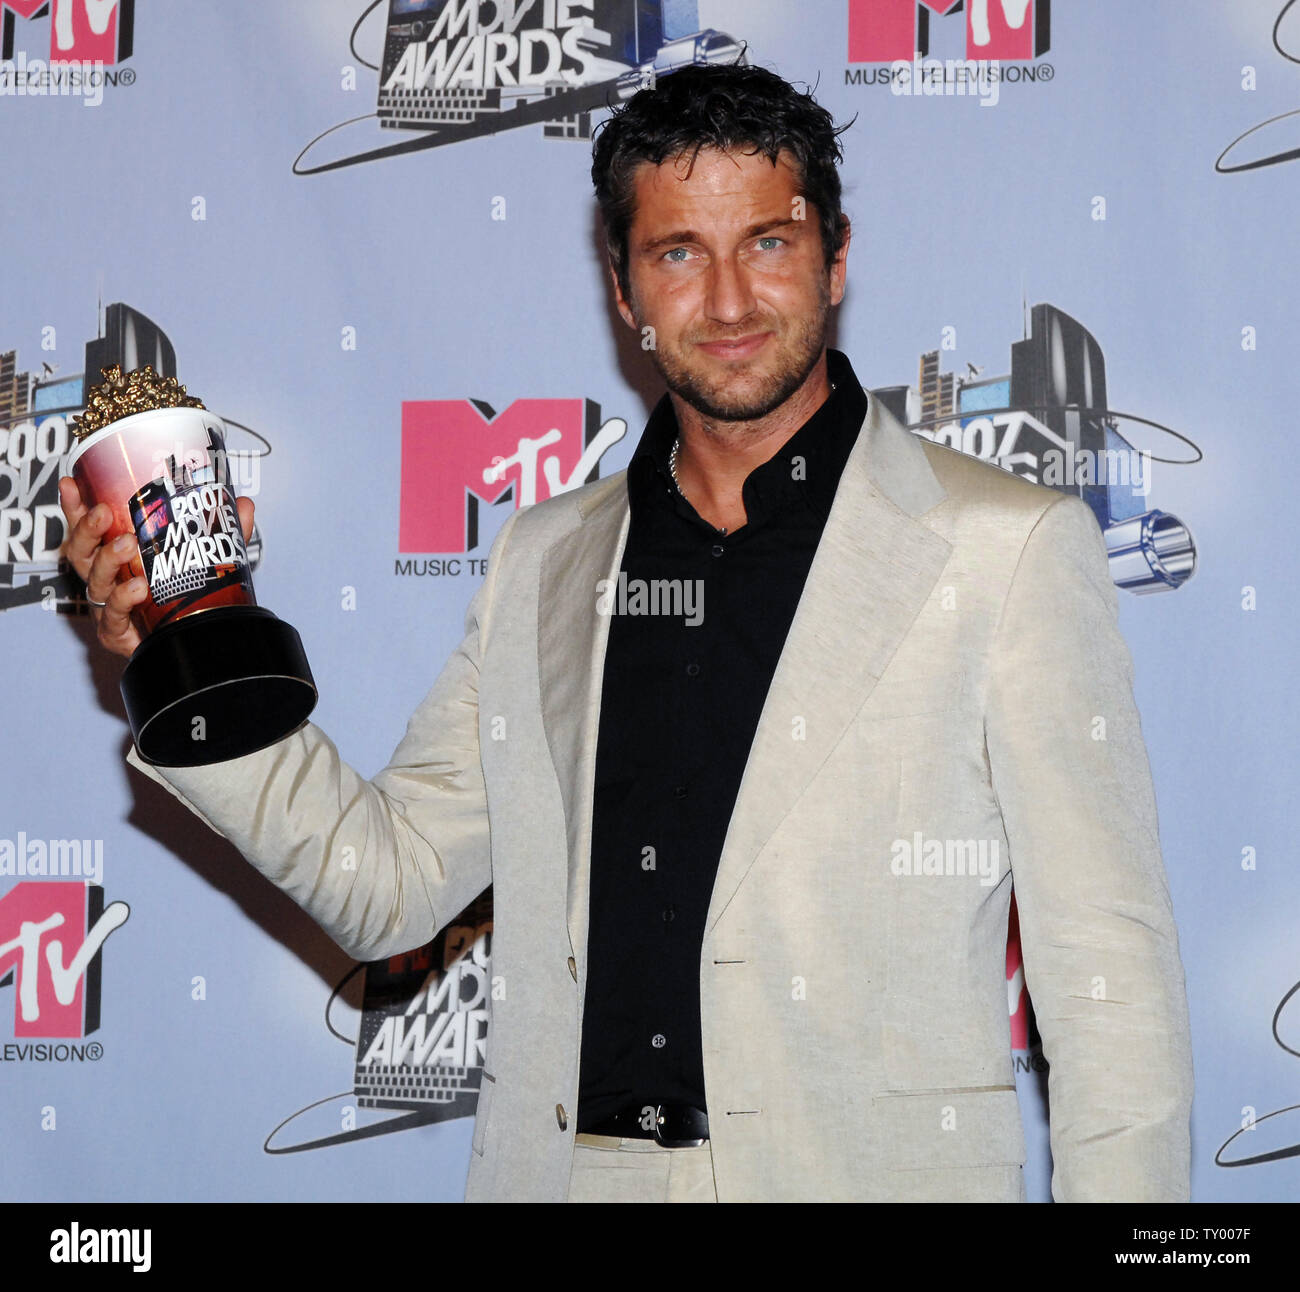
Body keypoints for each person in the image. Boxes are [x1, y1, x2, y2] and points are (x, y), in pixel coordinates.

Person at [59, 63, 1193, 1203]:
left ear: (836, 258)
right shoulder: (542, 560)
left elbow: (1108, 981)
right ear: (623, 289)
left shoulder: (1006, 547)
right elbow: (390, 885)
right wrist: (186, 646)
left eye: (768, 242)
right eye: (678, 254)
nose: (732, 302)